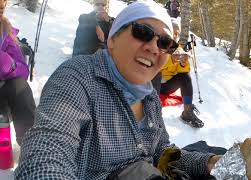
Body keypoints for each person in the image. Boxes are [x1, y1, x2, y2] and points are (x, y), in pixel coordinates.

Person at [15, 1, 221, 179]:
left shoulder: (149, 96)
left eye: (165, 43)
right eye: (143, 32)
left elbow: (160, 151)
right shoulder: (78, 77)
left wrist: (209, 163)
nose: (154, 47)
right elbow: (46, 153)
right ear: (112, 39)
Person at [152, 18, 204, 128]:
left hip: (166, 86)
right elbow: (155, 67)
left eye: (177, 33)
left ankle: (187, 111)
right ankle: (153, 112)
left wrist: (183, 64)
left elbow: (184, 71)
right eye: (173, 31)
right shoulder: (158, 45)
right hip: (152, 86)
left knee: (185, 77)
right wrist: (172, 60)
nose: (175, 35)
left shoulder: (177, 49)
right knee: (157, 74)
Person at [0, 0, 35, 145]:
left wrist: (10, 65)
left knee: (20, 86)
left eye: (2, 5)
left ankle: (31, 146)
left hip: (3, 93)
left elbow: (23, 70)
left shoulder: (7, 34)